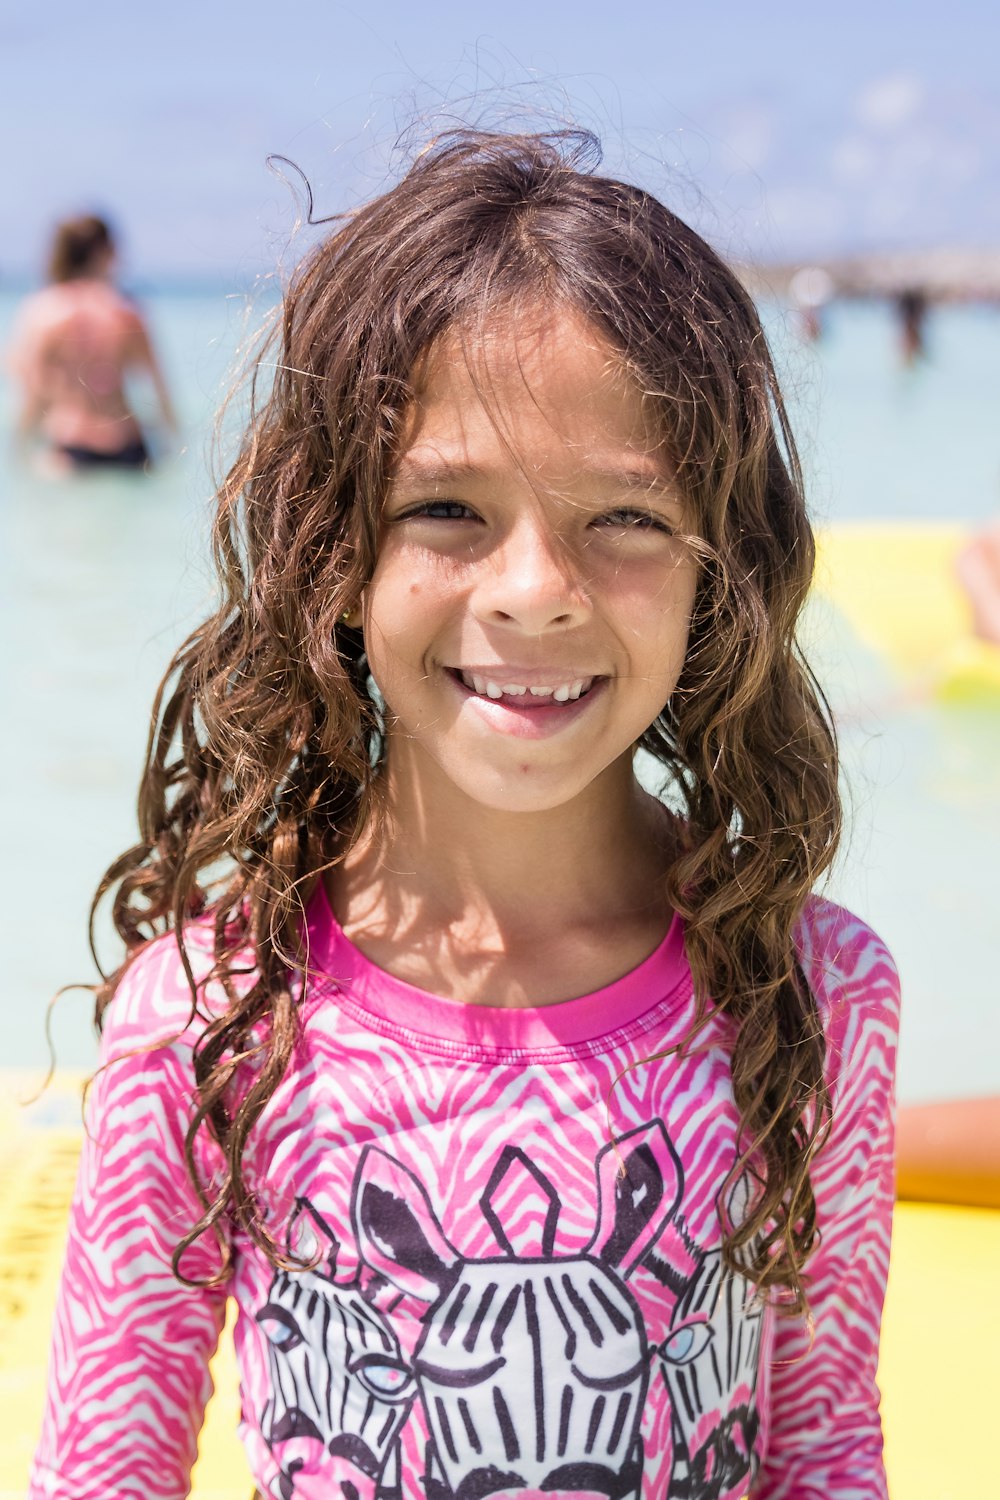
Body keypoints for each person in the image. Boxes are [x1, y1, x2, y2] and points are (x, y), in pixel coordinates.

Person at [29, 132, 899, 1500]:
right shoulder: (210, 1017)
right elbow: (105, 1467)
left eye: (623, 515)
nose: (534, 590)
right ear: (332, 555)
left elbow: (821, 1442)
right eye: (447, 507)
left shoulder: (809, 995)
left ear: (720, 569)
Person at [7, 213, 175, 472]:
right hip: (131, 448)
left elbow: (34, 394)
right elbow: (160, 391)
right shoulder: (127, 312)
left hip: (72, 447)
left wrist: (18, 448)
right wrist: (174, 444)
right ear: (103, 252)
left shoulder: (43, 312)